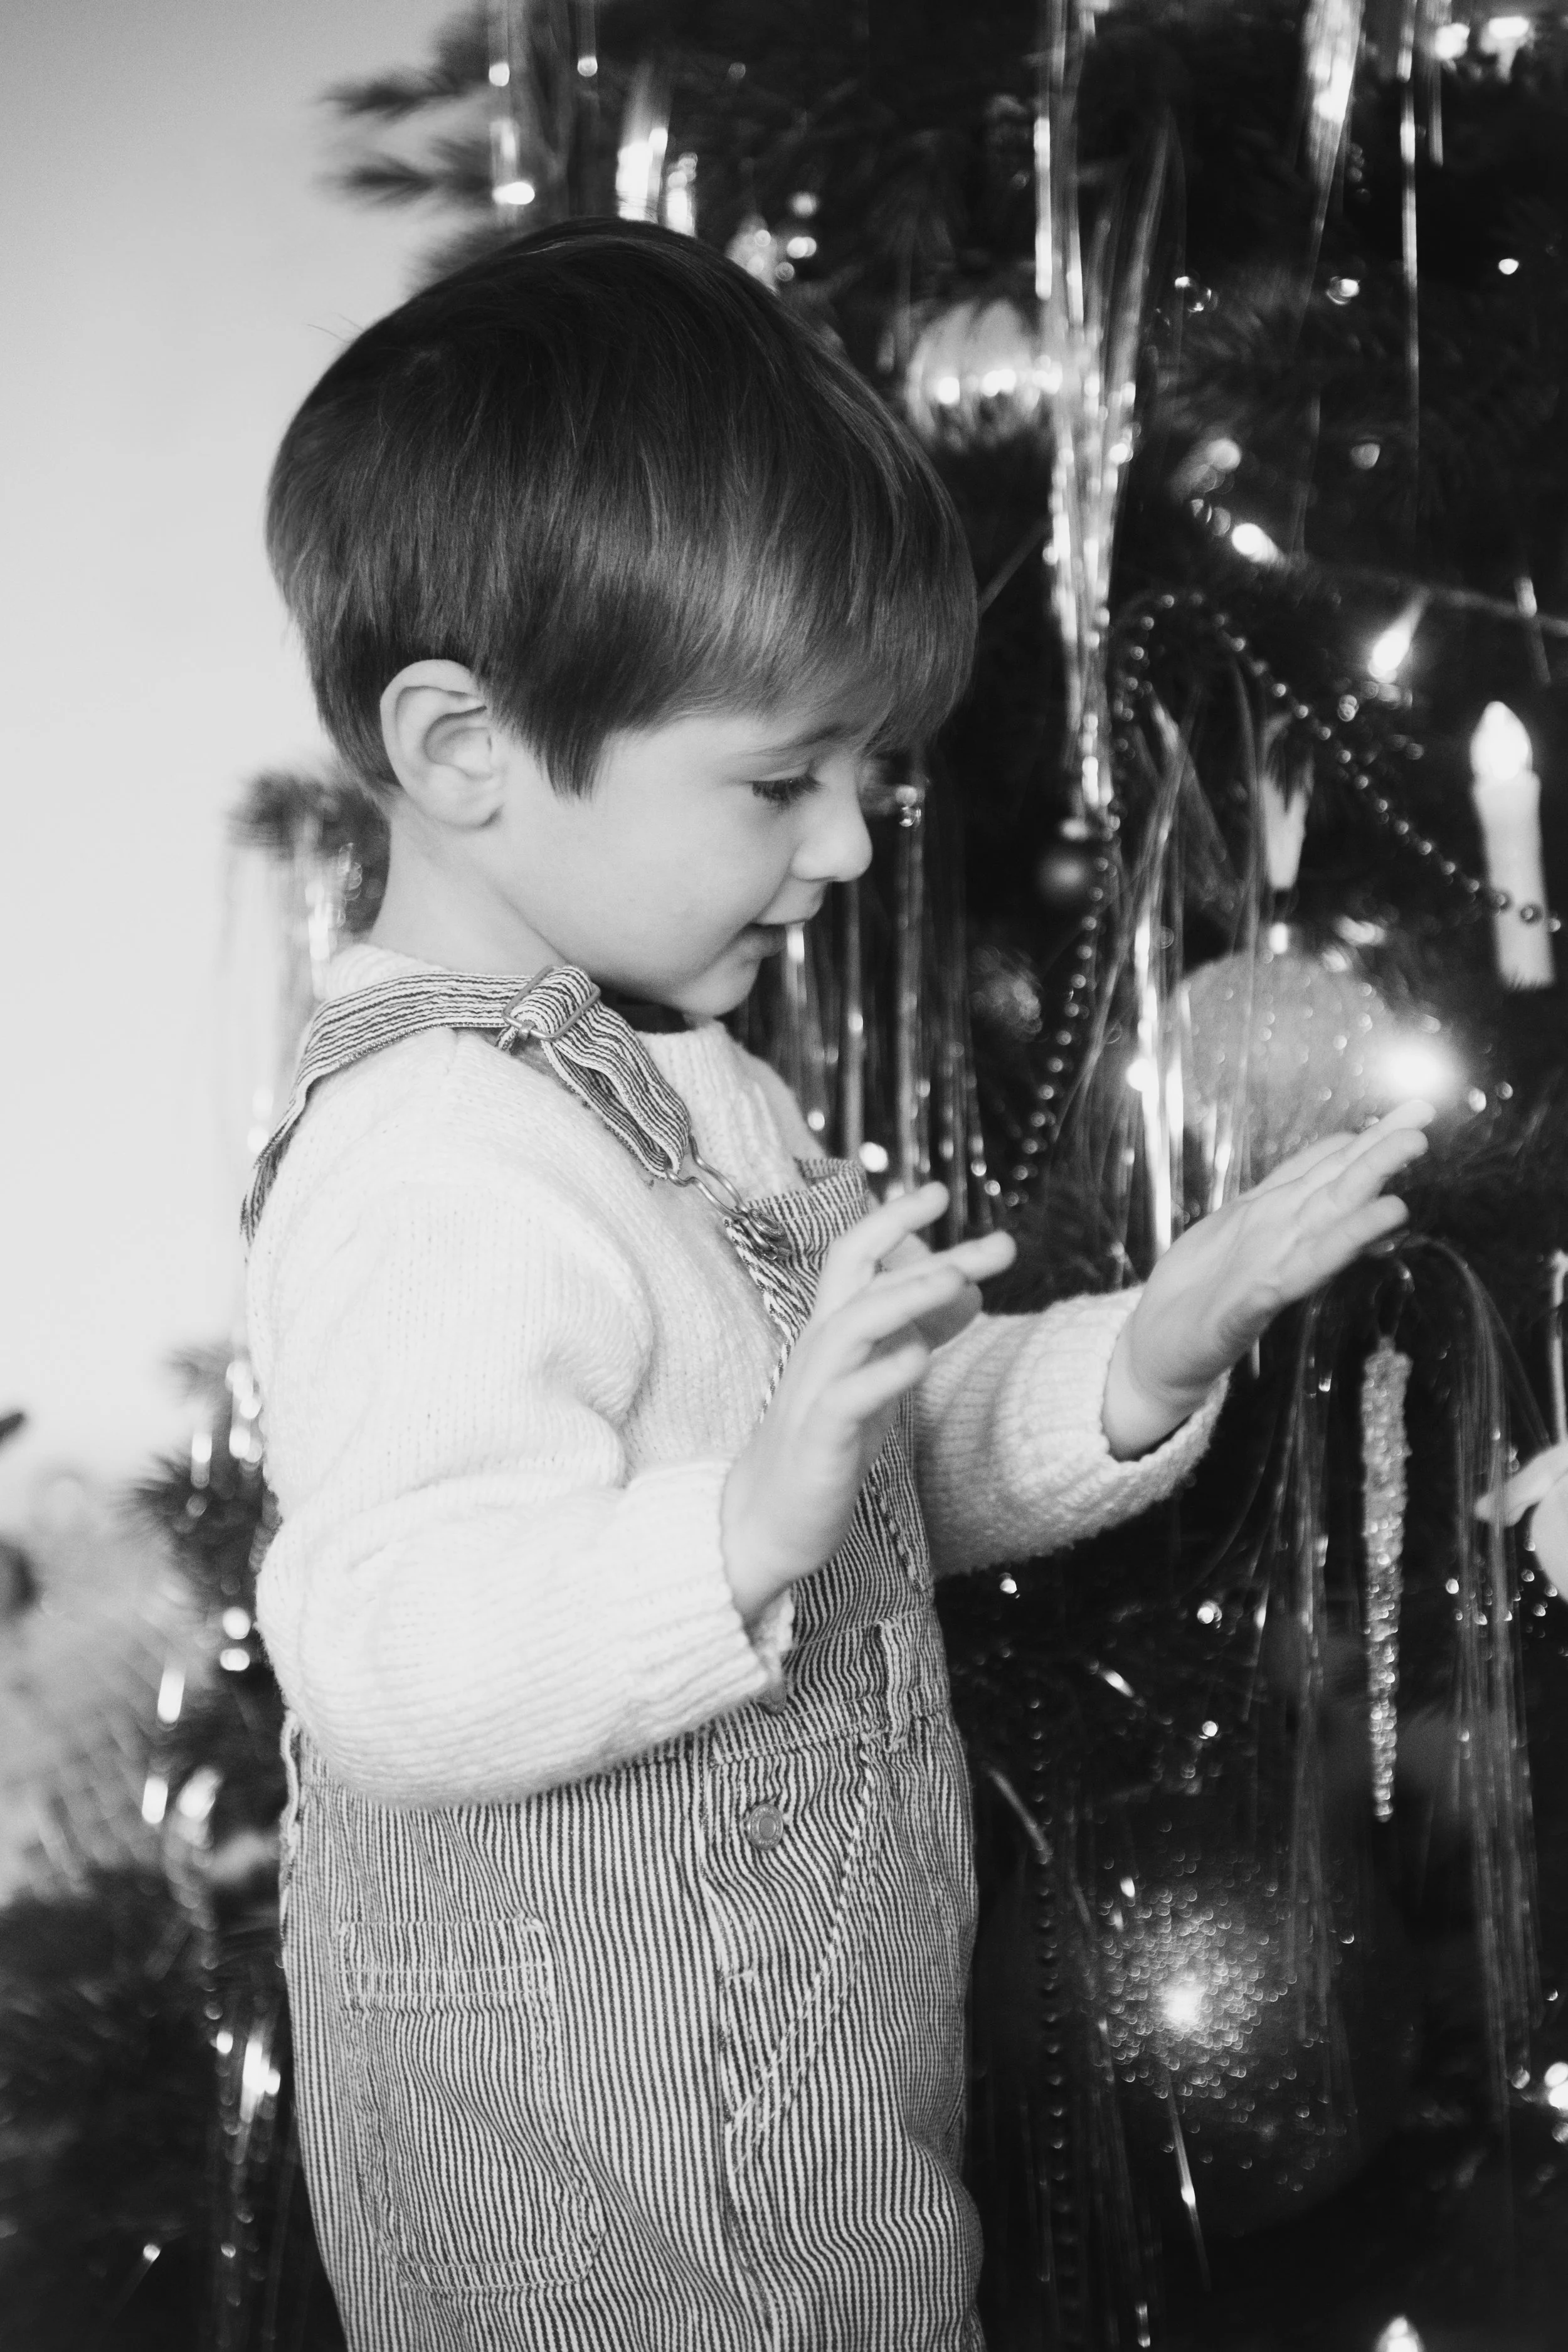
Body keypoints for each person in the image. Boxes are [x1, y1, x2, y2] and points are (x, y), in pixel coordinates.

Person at [245, 218, 1430, 2352]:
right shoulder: (436, 1150)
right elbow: (386, 1649)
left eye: (867, 781)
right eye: (780, 782)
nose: (856, 850)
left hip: (818, 2131)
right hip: (582, 2212)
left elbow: (879, 1480)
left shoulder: (704, 1091)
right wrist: (730, 1531)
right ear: (463, 746)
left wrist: (1146, 1351)